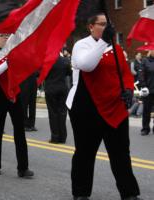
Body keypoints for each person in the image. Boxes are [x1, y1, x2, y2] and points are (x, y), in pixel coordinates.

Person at [66, 13, 141, 200]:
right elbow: (86, 65)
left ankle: (129, 193)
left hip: (115, 108)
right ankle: (81, 193)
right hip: (86, 109)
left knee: (121, 154)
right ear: (91, 27)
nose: (107, 28)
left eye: (108, 25)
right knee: (85, 153)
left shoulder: (115, 48)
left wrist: (129, 90)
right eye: (102, 24)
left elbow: (125, 74)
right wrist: (102, 42)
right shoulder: (81, 45)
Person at [0, 32, 34, 178]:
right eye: (3, 36)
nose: (6, 38)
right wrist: (7, 62)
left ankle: (23, 168)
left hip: (14, 90)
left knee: (20, 130)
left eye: (8, 36)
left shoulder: (14, 50)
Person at [45, 53, 72, 143]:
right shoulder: (65, 61)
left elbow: (40, 74)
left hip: (51, 89)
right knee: (62, 112)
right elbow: (69, 73)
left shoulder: (47, 61)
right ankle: (63, 137)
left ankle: (55, 137)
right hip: (62, 88)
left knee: (53, 113)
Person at [138, 50, 154, 136]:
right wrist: (143, 86)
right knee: (146, 111)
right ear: (151, 51)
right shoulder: (145, 61)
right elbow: (141, 74)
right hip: (148, 90)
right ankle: (145, 128)